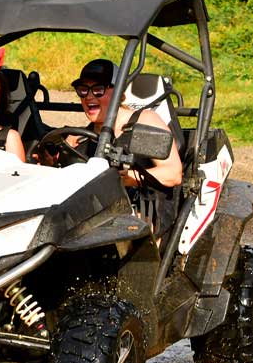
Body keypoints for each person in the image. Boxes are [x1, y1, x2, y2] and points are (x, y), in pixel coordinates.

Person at [68, 59, 183, 242]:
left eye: (98, 90)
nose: (89, 96)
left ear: (119, 92)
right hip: (97, 214)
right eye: (83, 90)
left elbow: (173, 173)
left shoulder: (143, 121)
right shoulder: (82, 136)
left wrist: (129, 178)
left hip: (145, 209)